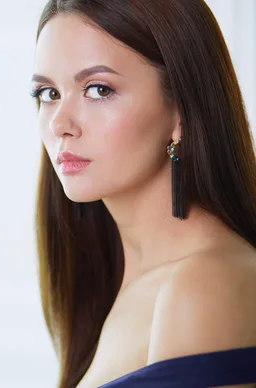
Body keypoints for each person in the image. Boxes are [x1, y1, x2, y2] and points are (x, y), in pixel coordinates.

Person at [30, 0, 256, 387]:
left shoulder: (202, 287)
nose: (60, 123)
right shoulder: (115, 277)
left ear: (181, 108)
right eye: (48, 93)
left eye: (98, 89)